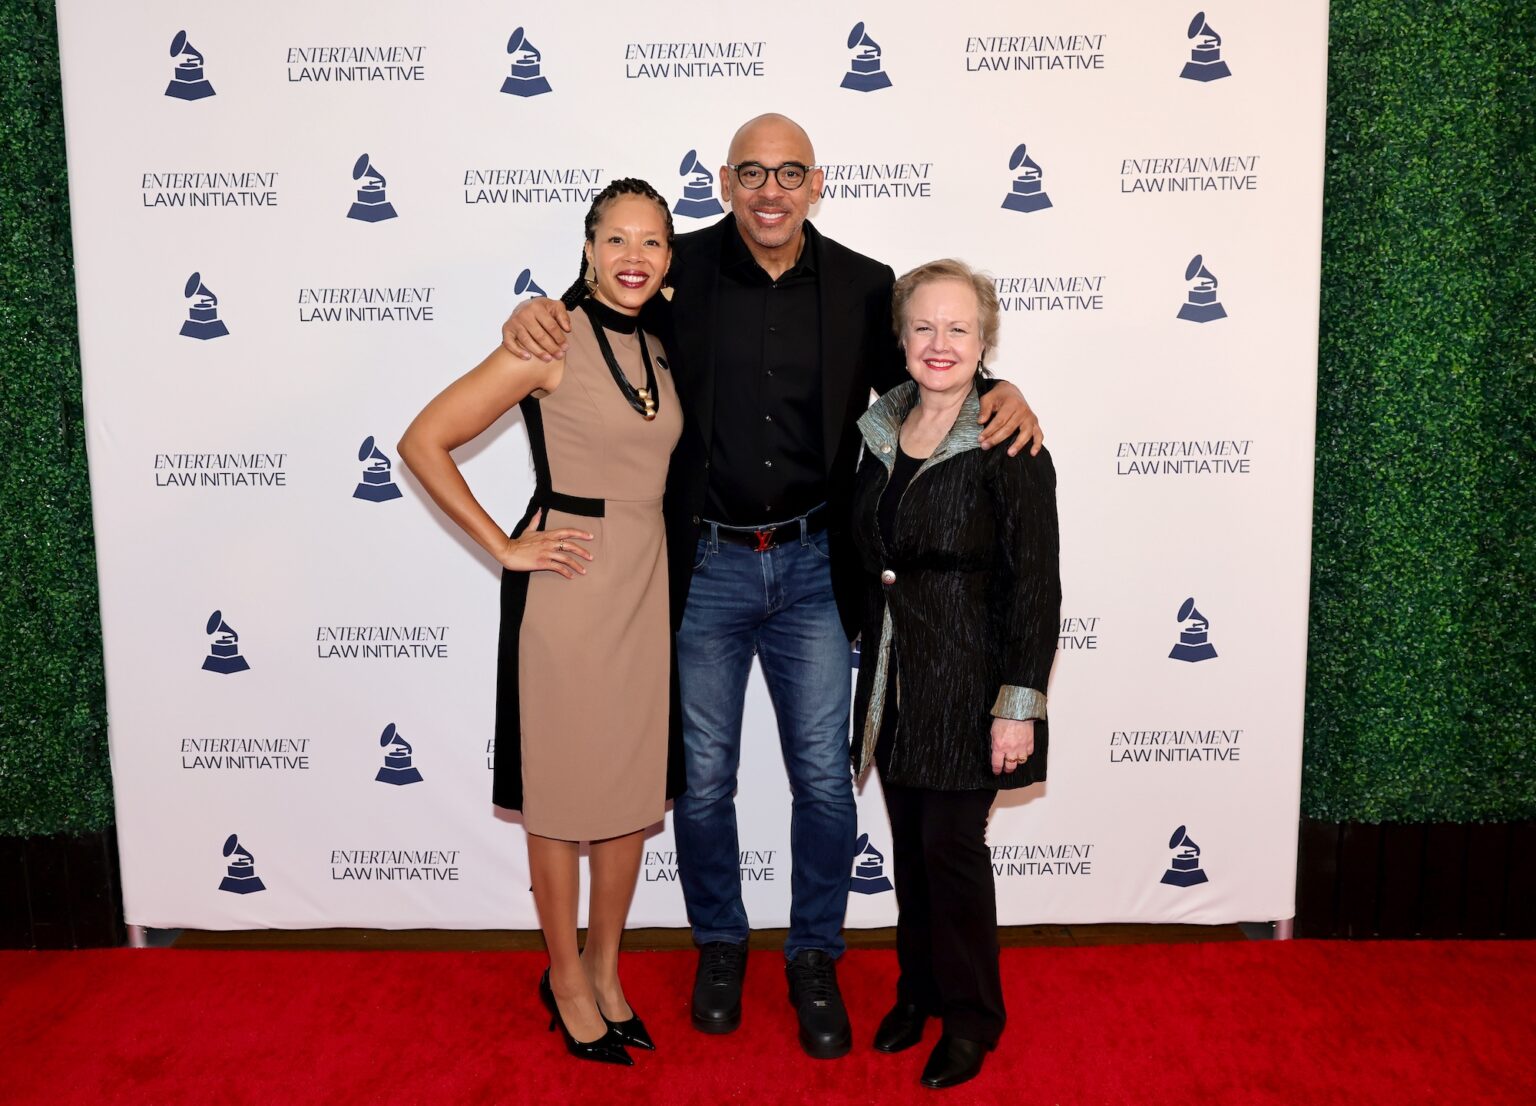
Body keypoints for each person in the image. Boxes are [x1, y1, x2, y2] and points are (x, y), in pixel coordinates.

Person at [500, 114, 1044, 1060]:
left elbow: (932, 373)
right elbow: (601, 313)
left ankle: (813, 958)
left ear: (816, 183)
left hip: (810, 567)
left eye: (789, 173)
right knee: (703, 786)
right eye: (751, 172)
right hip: (701, 566)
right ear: (723, 181)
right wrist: (533, 312)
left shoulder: (869, 287)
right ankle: (721, 947)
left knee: (826, 786)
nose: (770, 190)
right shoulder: (679, 272)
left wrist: (1001, 388)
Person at [398, 179, 683, 1067]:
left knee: (632, 798)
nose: (634, 256)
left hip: (646, 580)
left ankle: (606, 968)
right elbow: (423, 439)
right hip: (569, 583)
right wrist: (503, 548)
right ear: (588, 249)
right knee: (562, 798)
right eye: (617, 240)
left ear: (670, 260)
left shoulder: (663, 346)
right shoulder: (548, 338)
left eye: (653, 243)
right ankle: (563, 976)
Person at [849, 259, 1060, 1089]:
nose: (940, 344)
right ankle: (919, 994)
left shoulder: (1010, 438)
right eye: (924, 327)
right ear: (900, 340)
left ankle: (972, 1019)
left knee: (954, 853)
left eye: (959, 329)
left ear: (984, 343)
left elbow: (1035, 583)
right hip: (897, 687)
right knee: (912, 853)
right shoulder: (874, 434)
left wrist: (1018, 706)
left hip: (973, 688)